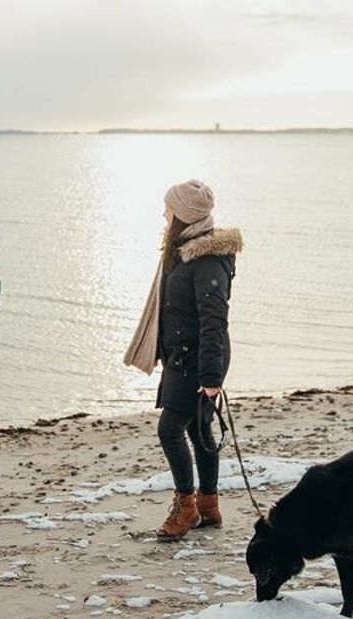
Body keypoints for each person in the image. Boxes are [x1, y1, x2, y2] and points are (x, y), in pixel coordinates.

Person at [124, 179, 242, 541]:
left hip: (198, 359)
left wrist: (211, 378)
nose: (165, 214)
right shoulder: (183, 251)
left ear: (183, 215)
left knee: (170, 429)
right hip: (183, 355)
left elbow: (213, 322)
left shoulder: (206, 260)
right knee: (198, 430)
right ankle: (209, 506)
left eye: (169, 208)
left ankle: (186, 506)